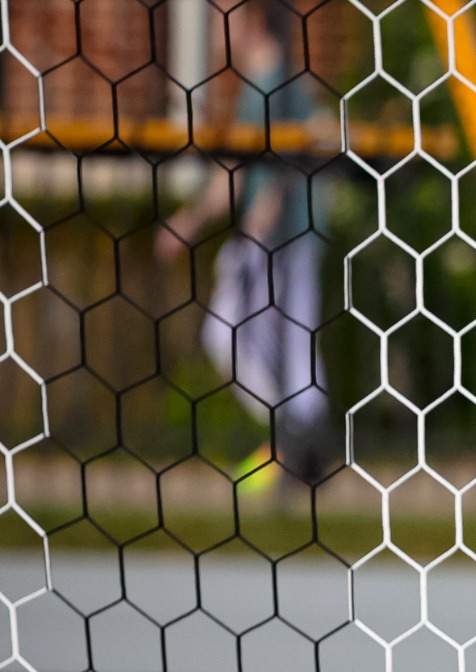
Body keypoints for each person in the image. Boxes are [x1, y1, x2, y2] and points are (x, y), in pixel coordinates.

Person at [155, 0, 332, 491]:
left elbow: (280, 172)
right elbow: (234, 179)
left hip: (285, 245)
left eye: (221, 13)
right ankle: (297, 449)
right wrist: (186, 224)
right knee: (255, 346)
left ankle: (301, 453)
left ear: (251, 20)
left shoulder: (281, 87)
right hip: (266, 244)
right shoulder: (255, 88)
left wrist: (258, 230)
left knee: (262, 345)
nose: (215, 26)